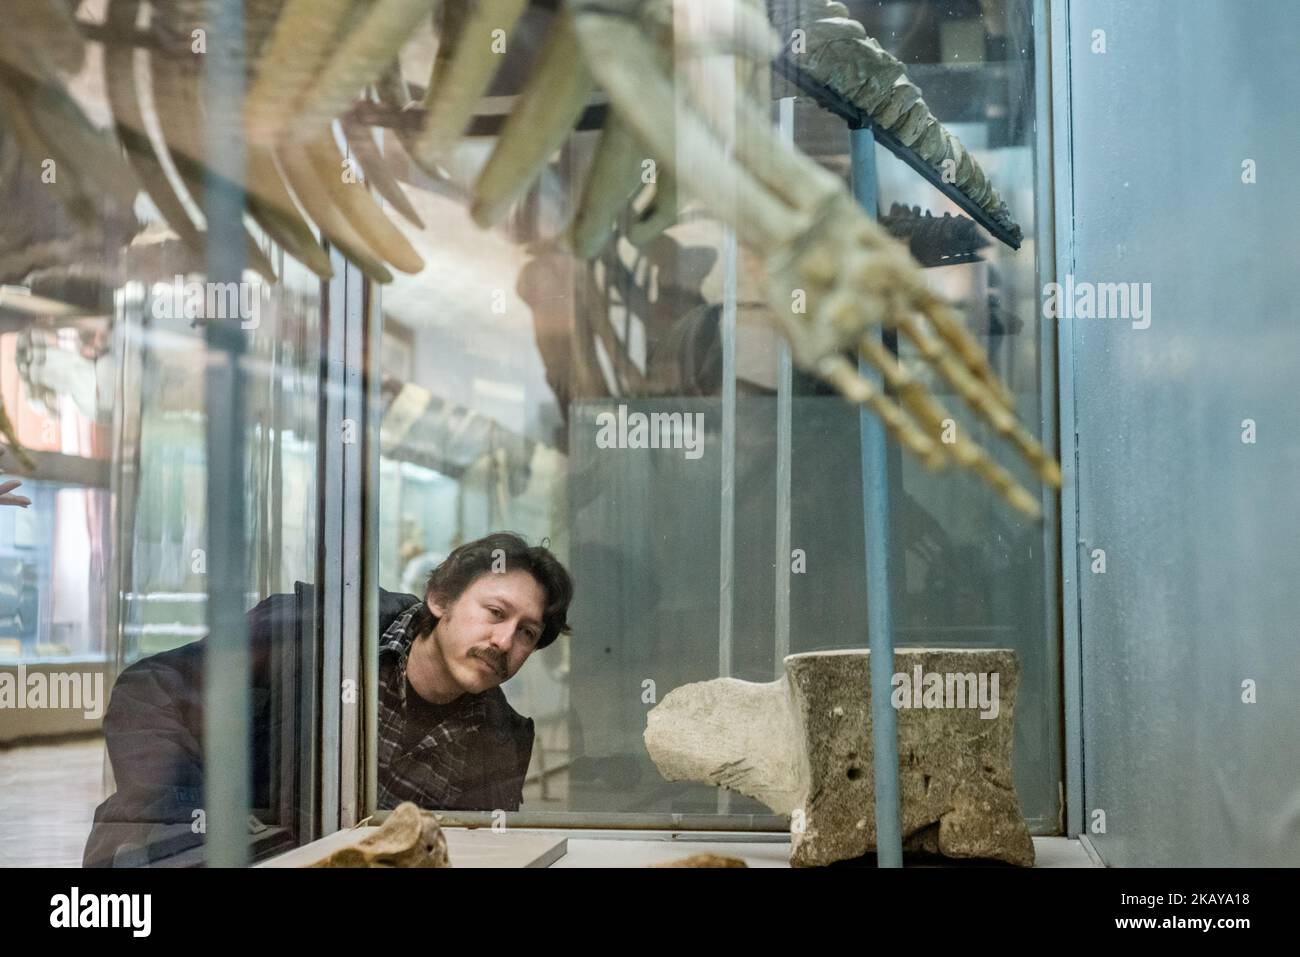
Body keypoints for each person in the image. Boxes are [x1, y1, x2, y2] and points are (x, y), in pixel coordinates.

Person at [83, 532, 573, 867]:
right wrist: (197, 826)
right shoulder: (317, 628)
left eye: (527, 632)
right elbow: (150, 689)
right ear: (441, 599)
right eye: (494, 611)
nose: (505, 641)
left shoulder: (499, 742)